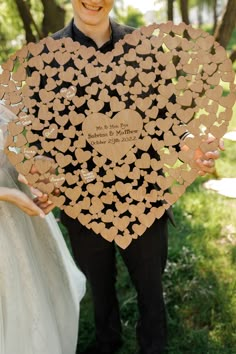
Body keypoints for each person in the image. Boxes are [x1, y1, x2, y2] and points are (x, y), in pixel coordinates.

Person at [30, 1, 224, 353]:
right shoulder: (48, 57)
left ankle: (153, 345)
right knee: (100, 287)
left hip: (144, 194)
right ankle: (107, 341)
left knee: (151, 287)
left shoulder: (145, 47)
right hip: (83, 200)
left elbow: (166, 119)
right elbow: (45, 137)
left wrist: (189, 145)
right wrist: (41, 177)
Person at [0, 103, 86, 354]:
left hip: (23, 212)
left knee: (38, 306)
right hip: (9, 210)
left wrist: (38, 176)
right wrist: (8, 195)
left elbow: (19, 143)